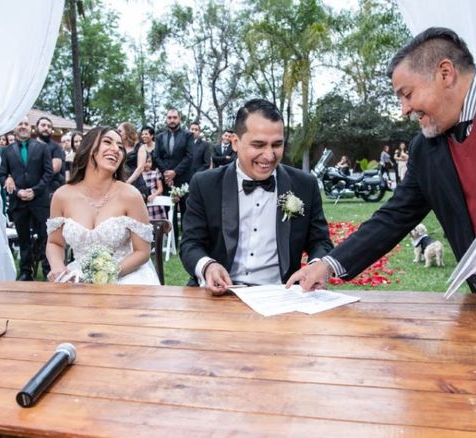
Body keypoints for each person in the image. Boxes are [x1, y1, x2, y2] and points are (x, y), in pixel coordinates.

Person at [287, 27, 476, 416]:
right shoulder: (425, 151)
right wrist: (328, 264)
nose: (404, 109)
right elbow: (393, 217)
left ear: (444, 73)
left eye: (407, 94)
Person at [180, 99, 333, 295]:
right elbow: (190, 244)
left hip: (282, 295)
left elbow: (320, 242)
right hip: (221, 295)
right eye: (258, 145)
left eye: (277, 145)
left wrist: (315, 266)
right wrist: (208, 266)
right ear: (235, 143)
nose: (269, 156)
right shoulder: (205, 184)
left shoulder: (305, 185)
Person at [44, 126, 160, 286]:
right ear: (88, 148)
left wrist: (106, 274)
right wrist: (58, 267)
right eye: (108, 142)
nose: (116, 149)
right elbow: (55, 242)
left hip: (126, 276)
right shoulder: (62, 196)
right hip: (78, 279)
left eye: (120, 147)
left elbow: (142, 252)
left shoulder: (130, 195)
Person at [0, 116, 53, 281]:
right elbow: (1, 174)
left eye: (26, 124)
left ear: (31, 128)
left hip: (39, 201)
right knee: (24, 240)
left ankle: (48, 270)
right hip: (19, 202)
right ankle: (25, 273)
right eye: (20, 124)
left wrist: (35, 191)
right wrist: (15, 190)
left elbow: (48, 173)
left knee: (44, 237)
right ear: (14, 128)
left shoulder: (42, 148)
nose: (23, 126)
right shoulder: (7, 151)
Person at [152, 108, 194, 247]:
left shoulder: (187, 135)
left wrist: (175, 172)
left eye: (175, 117)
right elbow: (156, 156)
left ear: (179, 119)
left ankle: (187, 240)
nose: (172, 120)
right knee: (169, 210)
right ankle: (172, 240)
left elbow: (189, 156)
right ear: (166, 119)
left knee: (185, 210)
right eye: (169, 117)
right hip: (166, 180)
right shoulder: (159, 137)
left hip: (183, 179)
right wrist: (166, 173)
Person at [36, 116, 66, 198]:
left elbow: (55, 168)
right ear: (37, 127)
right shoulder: (30, 145)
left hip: (52, 188)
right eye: (43, 125)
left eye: (49, 126)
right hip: (32, 189)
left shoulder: (56, 147)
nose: (46, 128)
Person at [119, 121, 148, 200]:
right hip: (120, 181)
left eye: (120, 131)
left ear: (127, 132)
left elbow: (140, 168)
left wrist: (127, 182)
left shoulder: (139, 147)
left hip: (136, 183)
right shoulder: (118, 147)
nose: (118, 133)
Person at [142, 154, 168, 221]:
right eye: (145, 162)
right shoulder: (139, 174)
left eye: (149, 162)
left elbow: (160, 188)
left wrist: (154, 195)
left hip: (154, 198)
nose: (147, 164)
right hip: (144, 197)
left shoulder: (155, 173)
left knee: (157, 221)